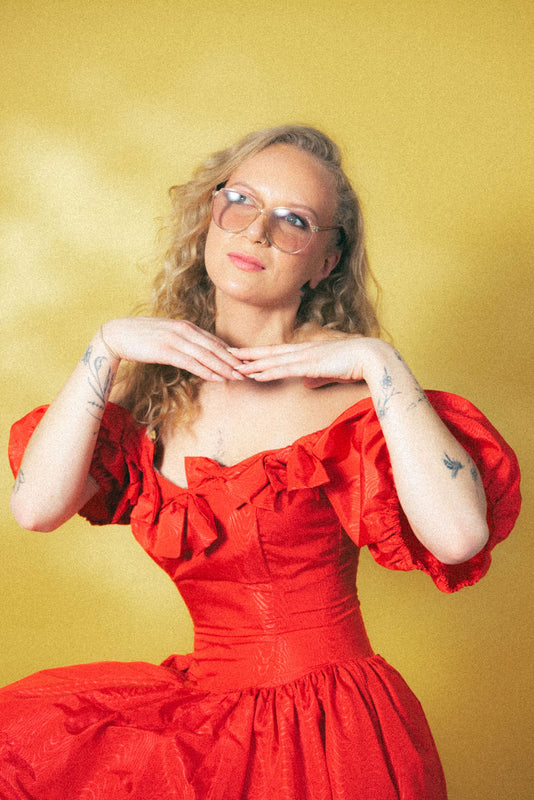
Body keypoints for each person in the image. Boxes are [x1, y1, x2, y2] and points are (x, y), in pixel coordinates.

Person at [3, 125, 520, 799]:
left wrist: (381, 364)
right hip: (212, 728)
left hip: (332, 731)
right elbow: (35, 508)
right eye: (241, 200)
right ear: (209, 216)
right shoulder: (151, 396)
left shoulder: (357, 401)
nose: (256, 231)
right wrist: (104, 350)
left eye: (294, 220)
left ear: (325, 262)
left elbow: (460, 537)